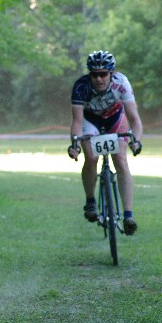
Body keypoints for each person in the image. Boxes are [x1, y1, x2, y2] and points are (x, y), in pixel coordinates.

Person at [67, 50, 143, 235]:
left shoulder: (121, 84)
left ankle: (128, 216)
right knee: (91, 158)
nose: (99, 79)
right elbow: (77, 121)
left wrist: (137, 141)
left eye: (103, 74)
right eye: (94, 74)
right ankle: (91, 201)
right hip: (90, 120)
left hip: (115, 118)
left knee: (120, 159)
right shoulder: (81, 86)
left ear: (111, 73)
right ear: (89, 74)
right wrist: (75, 145)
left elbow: (134, 119)